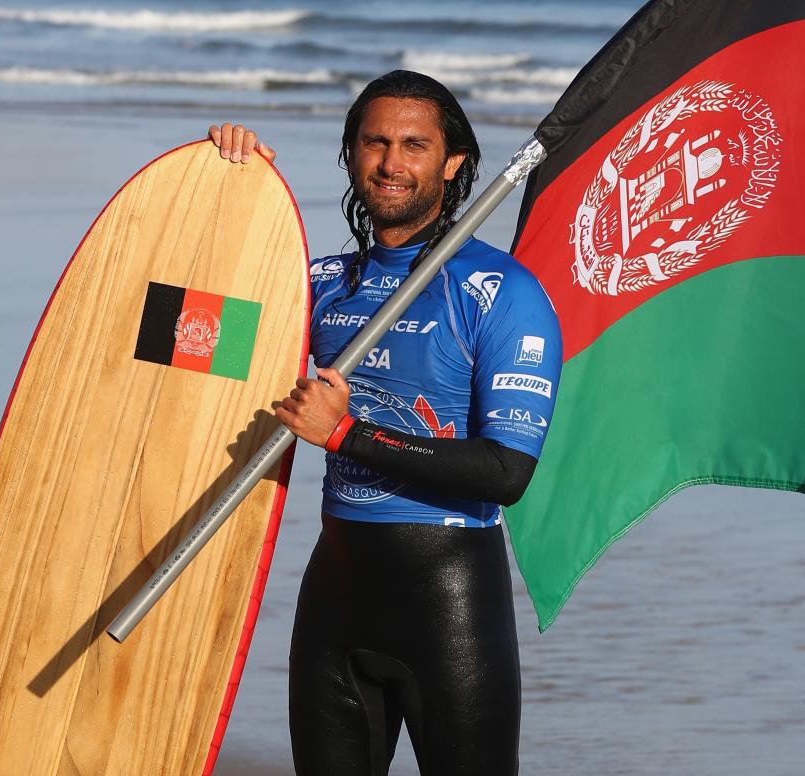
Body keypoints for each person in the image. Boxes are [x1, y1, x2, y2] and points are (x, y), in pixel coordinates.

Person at [209, 70, 561, 776]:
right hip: (336, 600)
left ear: (452, 163)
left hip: (451, 606)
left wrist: (347, 436)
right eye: (374, 142)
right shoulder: (317, 285)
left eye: (413, 145)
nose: (391, 163)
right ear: (350, 153)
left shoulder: (500, 293)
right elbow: (187, 339)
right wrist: (230, 194)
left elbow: (505, 472)